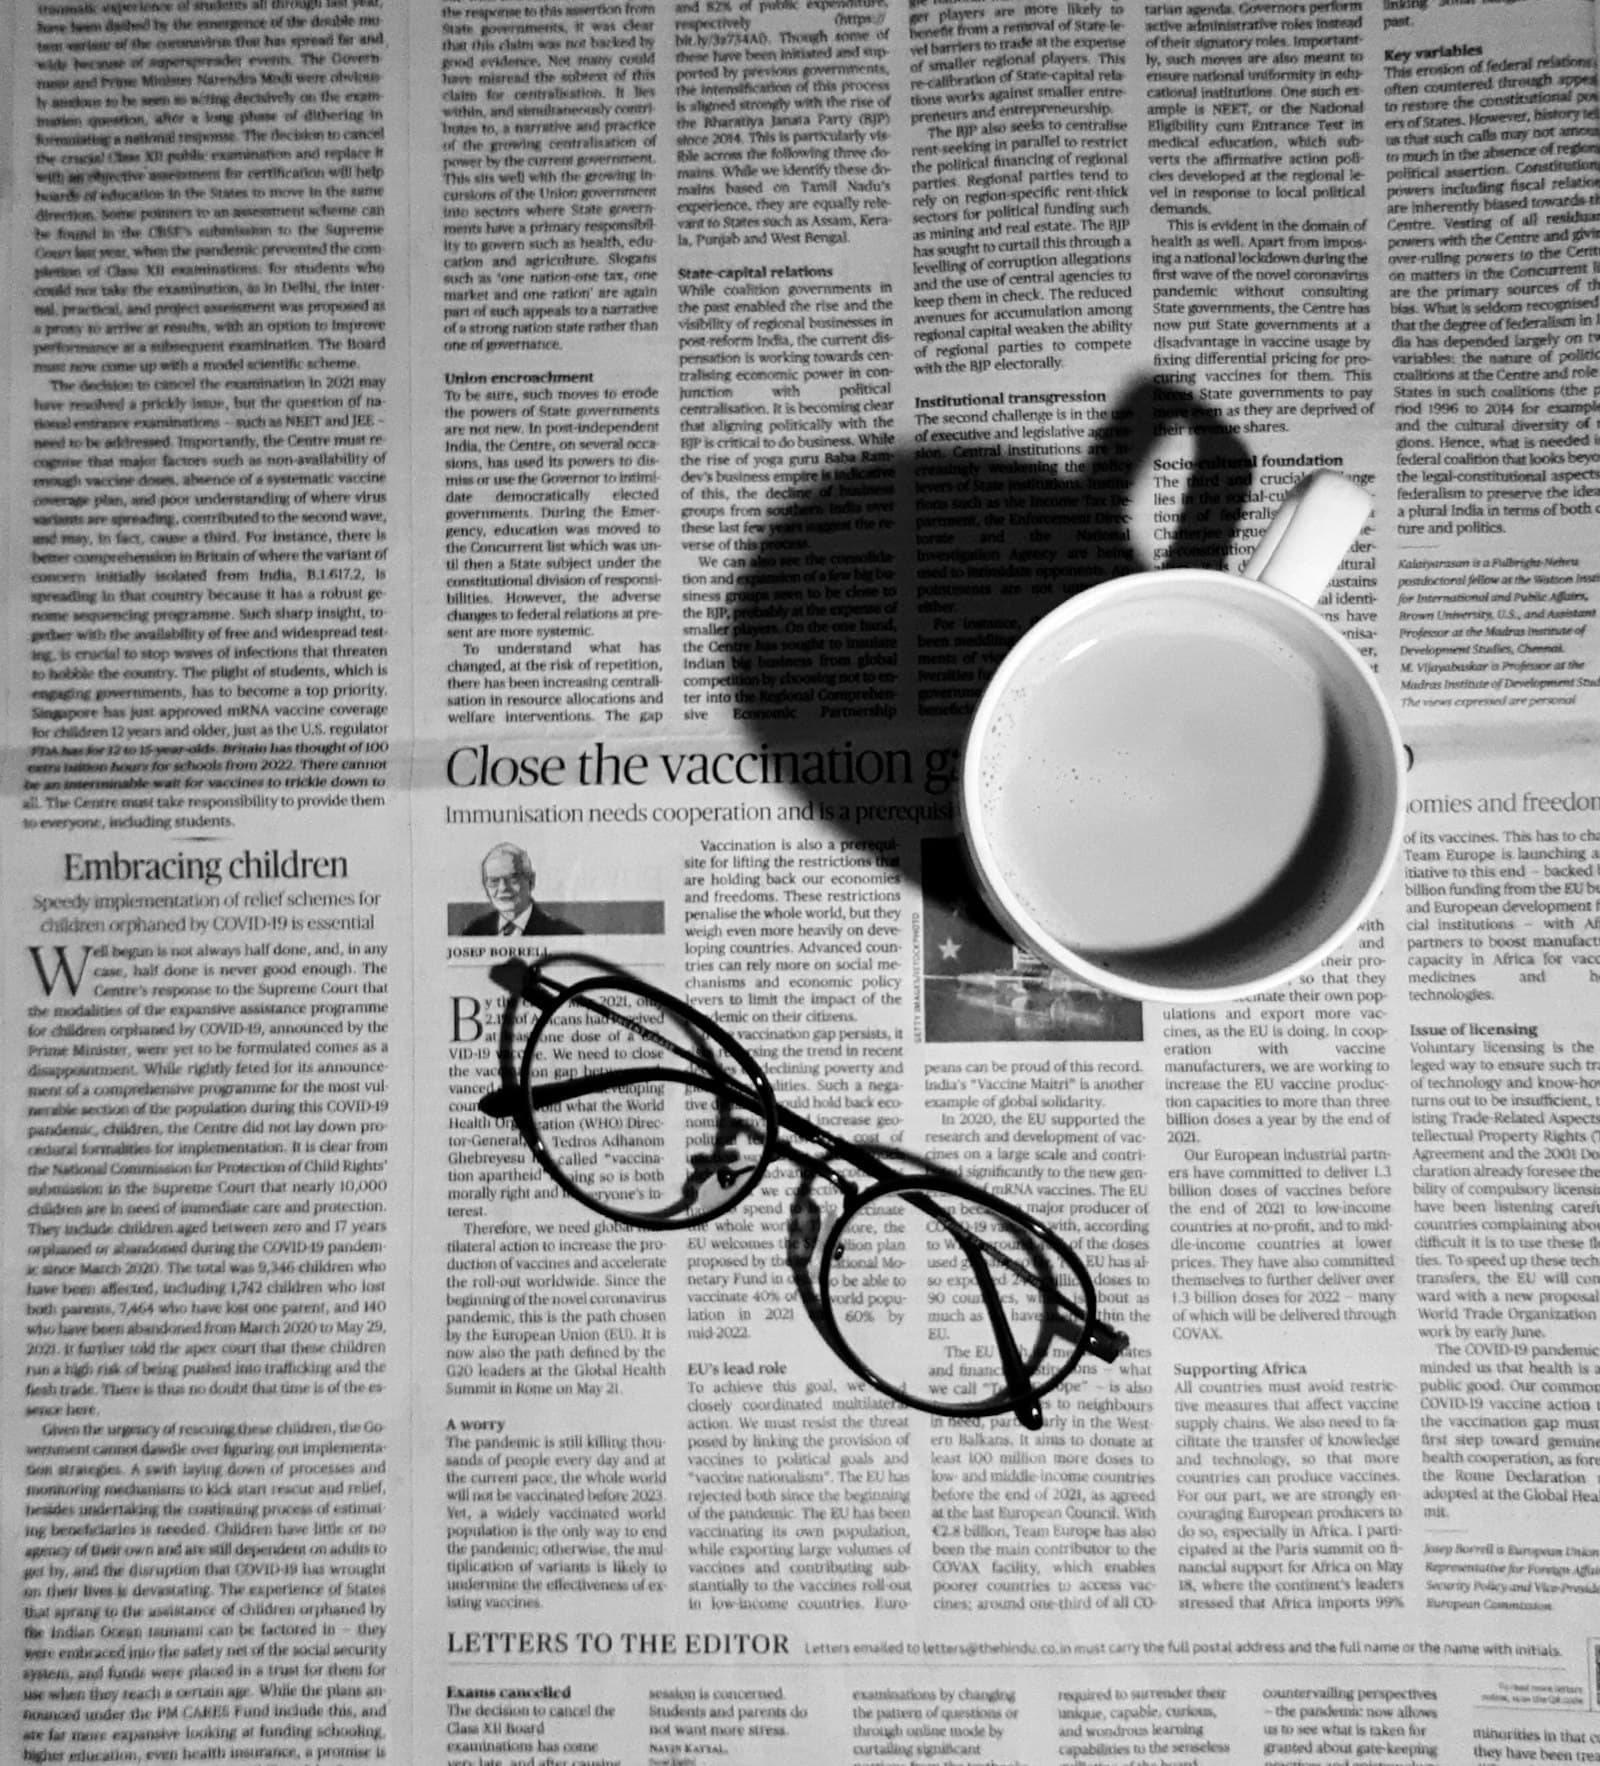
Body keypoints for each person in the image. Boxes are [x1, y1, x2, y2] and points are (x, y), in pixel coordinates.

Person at [462, 844, 581, 937]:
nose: (503, 888)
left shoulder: (565, 934)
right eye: (494, 881)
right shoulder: (472, 932)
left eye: (513, 879)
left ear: (531, 881)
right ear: (485, 886)